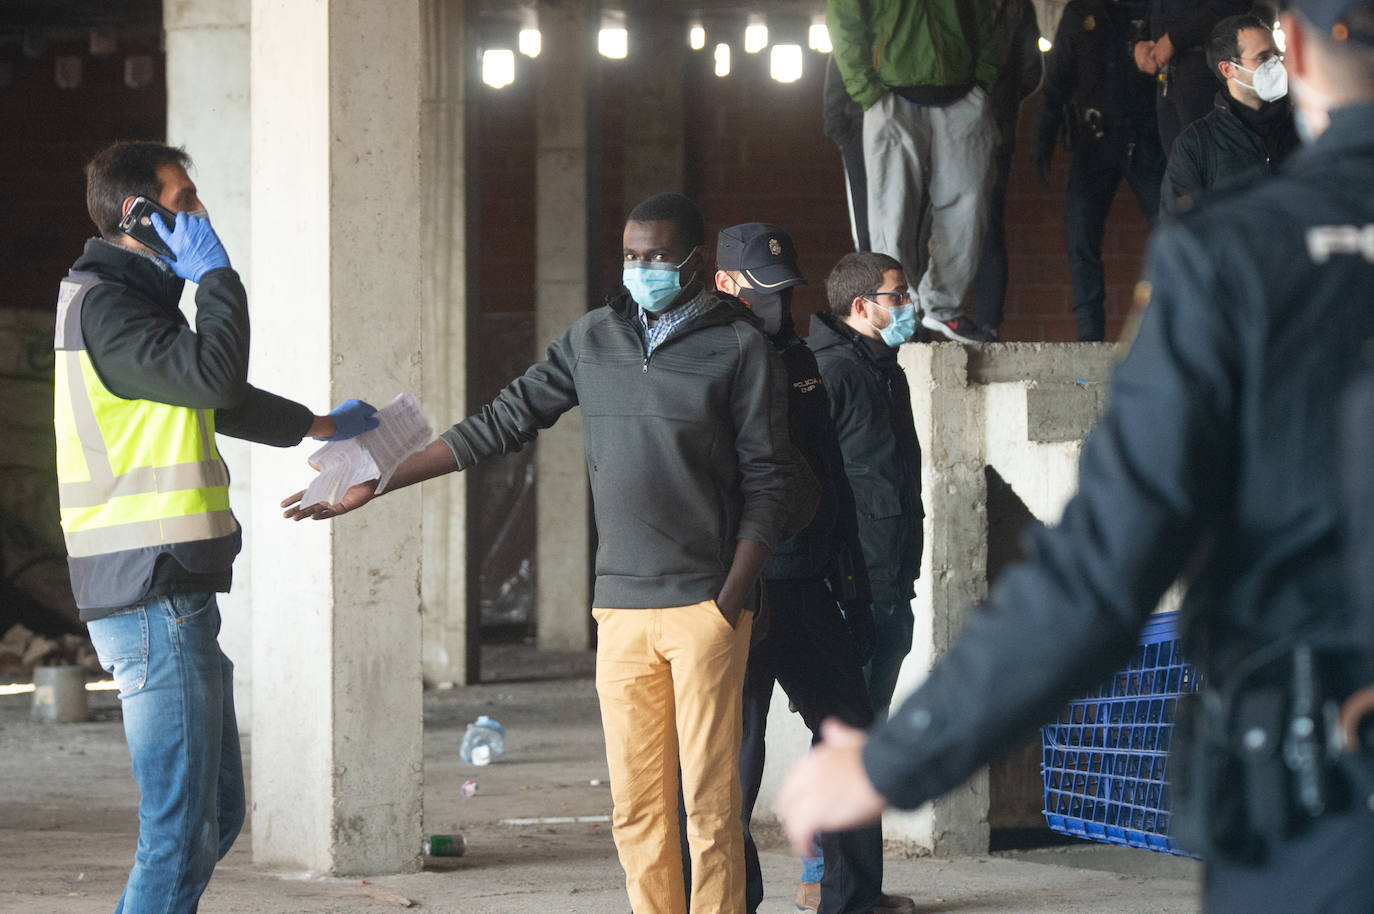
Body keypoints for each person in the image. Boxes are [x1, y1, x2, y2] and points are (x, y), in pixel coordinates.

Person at [779, 1, 1374, 909]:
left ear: (1291, 46)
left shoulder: (1237, 254)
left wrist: (898, 759)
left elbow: (1106, 565)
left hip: (1318, 798)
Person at [284, 193, 794, 914]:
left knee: (709, 811)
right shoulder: (593, 339)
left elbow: (771, 480)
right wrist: (379, 475)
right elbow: (502, 421)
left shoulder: (741, 347)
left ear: (696, 262)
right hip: (619, 607)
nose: (641, 268)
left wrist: (729, 600)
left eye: (657, 256)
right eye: (631, 256)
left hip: (704, 607)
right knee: (637, 809)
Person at [55, 141, 377, 912]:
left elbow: (214, 396)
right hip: (147, 590)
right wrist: (219, 279)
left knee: (215, 816)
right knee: (177, 829)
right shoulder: (103, 304)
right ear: (141, 215)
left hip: (171, 589)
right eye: (186, 200)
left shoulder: (128, 301)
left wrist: (318, 426)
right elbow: (211, 376)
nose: (201, 213)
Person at [713, 225, 913, 914]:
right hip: (742, 590)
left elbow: (831, 475)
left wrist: (850, 575)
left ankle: (852, 899)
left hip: (808, 587)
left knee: (851, 733)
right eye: (764, 293)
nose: (779, 305)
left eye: (787, 291)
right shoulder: (709, 362)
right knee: (735, 754)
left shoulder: (800, 359)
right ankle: (733, 901)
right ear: (725, 286)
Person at [827, 0, 1000, 343]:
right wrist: (867, 90)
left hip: (962, 91)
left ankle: (944, 309)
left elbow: (980, 14)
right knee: (891, 213)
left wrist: (984, 76)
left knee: (970, 207)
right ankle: (894, 315)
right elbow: (844, 19)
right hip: (890, 95)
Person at [807, 253, 924, 728]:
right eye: (896, 295)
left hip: (891, 579)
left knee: (869, 729)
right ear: (861, 305)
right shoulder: (833, 372)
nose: (908, 305)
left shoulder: (885, 369)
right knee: (851, 733)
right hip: (858, 586)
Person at [1033, 0, 1166, 341]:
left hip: (1147, 139)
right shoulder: (1081, 11)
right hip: (1096, 139)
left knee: (1173, 229)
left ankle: (1173, 325)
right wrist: (1042, 139)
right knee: (1080, 232)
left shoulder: (1153, 7)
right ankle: (1089, 337)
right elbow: (1058, 79)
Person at [1160, 14, 1301, 216]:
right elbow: (1178, 227)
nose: (1276, 65)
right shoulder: (1197, 144)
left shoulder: (1303, 127)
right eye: (1262, 58)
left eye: (1276, 56)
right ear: (1228, 69)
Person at [973, 0, 1045, 338]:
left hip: (948, 123)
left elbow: (1031, 71)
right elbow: (1031, 71)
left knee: (931, 226)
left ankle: (922, 325)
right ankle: (988, 326)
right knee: (989, 225)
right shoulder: (1019, 6)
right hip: (997, 126)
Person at [1132, 0, 1251, 153]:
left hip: (1206, 71)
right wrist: (1141, 39)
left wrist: (1174, 38)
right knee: (1181, 166)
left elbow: (1233, 4)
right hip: (1167, 76)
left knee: (1212, 161)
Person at [823, 56, 871, 254]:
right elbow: (834, 93)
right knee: (864, 220)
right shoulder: (850, 34)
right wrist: (846, 138)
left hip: (904, 124)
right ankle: (872, 280)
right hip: (859, 134)